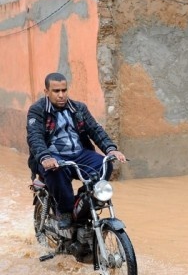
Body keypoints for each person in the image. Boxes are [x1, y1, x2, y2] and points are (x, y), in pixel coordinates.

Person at [27, 72, 127, 228]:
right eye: (56, 91)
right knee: (55, 171)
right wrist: (45, 157)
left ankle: (83, 199)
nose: (61, 95)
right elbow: (35, 137)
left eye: (64, 90)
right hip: (53, 156)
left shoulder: (78, 108)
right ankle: (65, 211)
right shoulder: (37, 110)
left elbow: (95, 129)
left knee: (105, 164)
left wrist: (111, 149)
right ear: (46, 92)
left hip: (79, 154)